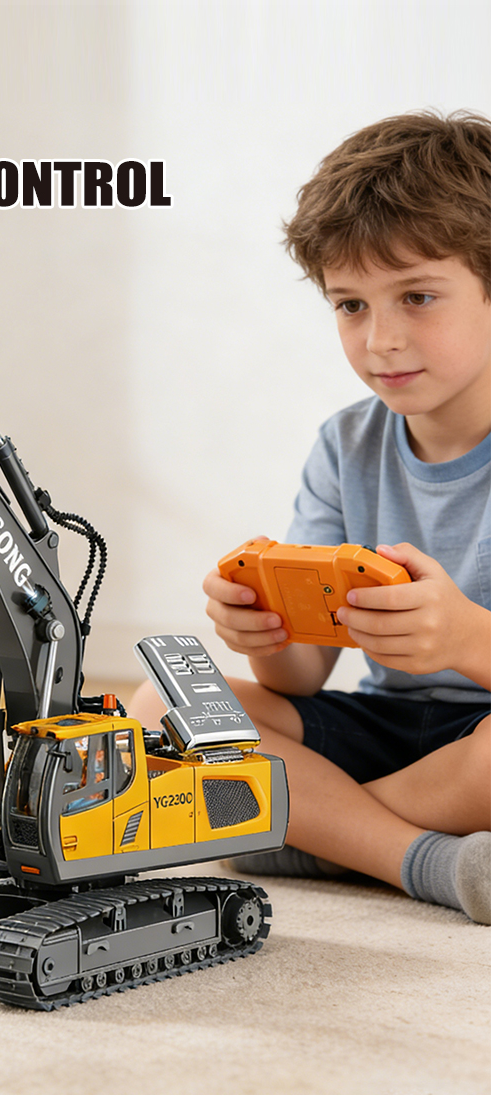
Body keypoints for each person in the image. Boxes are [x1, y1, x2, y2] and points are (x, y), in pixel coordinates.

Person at [130, 110, 491, 923]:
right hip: (391, 721)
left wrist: (466, 637)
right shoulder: (346, 444)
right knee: (157, 712)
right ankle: (419, 862)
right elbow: (299, 679)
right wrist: (267, 632)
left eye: (419, 296)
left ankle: (304, 824)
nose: (382, 339)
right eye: (351, 306)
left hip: (481, 744)